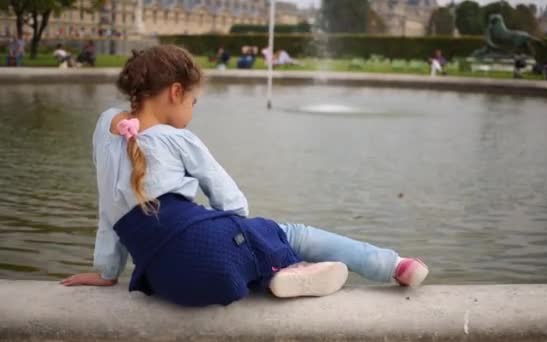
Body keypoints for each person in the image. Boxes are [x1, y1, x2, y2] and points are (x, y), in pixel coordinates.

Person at [60, 45, 429, 307]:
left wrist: (107, 272)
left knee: (222, 249)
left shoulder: (104, 128)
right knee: (288, 234)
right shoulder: (179, 139)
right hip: (210, 253)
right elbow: (233, 202)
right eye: (193, 102)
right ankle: (392, 265)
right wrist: (244, 234)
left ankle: (273, 271)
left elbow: (108, 213)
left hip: (167, 279)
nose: (192, 111)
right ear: (175, 92)